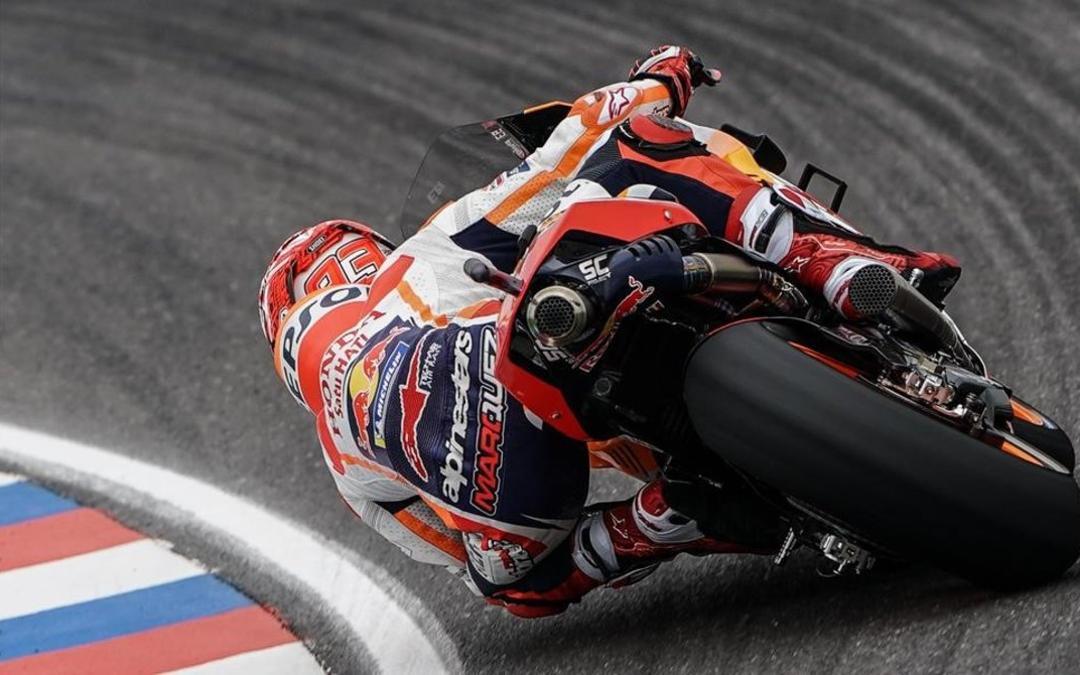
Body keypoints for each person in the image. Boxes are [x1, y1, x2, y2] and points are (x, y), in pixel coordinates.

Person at [258, 46, 961, 617]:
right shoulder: (417, 259)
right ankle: (837, 263)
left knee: (509, 576)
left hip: (519, 497)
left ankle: (664, 517)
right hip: (518, 343)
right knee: (638, 146)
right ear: (361, 255)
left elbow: (480, 572)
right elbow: (561, 157)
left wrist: (613, 531)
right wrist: (658, 78)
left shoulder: (342, 458)